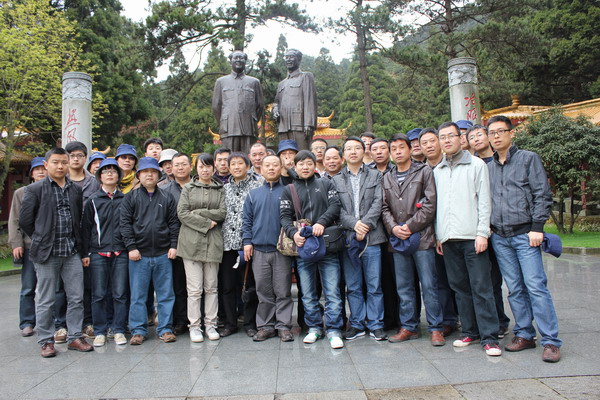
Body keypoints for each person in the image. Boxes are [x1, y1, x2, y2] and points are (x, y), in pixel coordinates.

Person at [487, 115, 562, 363]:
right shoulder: (488, 167)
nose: (496, 136)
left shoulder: (528, 159)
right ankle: (524, 334)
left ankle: (550, 341)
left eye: (500, 131)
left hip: (525, 234)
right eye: (492, 133)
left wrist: (537, 227)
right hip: (500, 236)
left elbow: (542, 193)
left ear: (511, 133)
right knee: (515, 289)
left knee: (536, 286)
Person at [434, 122, 501, 357]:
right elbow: (438, 206)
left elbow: (485, 200)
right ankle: (470, 331)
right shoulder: (438, 170)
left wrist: (483, 232)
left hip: (473, 237)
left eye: (451, 136)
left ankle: (490, 336)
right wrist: (439, 235)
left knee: (481, 287)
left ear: (460, 138)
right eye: (443, 137)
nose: (447, 141)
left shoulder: (476, 165)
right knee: (460, 288)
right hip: (448, 239)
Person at [19, 148, 93, 357]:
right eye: (55, 162)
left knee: (76, 297)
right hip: (46, 254)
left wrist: (81, 250)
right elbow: (25, 221)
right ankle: (46, 340)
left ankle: (75, 337)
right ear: (46, 164)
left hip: (71, 251)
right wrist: (41, 238)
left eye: (63, 162)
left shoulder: (74, 189)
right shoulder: (35, 189)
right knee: (46, 299)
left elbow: (77, 220)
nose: (60, 166)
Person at [381, 134, 444, 346]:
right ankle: (409, 326)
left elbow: (430, 204)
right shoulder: (387, 177)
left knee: (429, 285)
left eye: (402, 147)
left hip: (422, 237)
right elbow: (384, 207)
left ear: (410, 149)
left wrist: (409, 226)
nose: (398, 151)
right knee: (404, 286)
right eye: (394, 149)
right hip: (398, 239)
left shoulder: (424, 171)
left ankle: (436, 328)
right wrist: (393, 228)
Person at [280, 150, 344, 349]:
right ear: (295, 166)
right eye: (301, 164)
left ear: (315, 165)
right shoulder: (289, 189)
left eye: (309, 163)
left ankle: (334, 329)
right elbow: (284, 216)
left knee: (332, 291)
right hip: (304, 248)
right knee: (307, 293)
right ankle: (314, 327)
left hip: (327, 245)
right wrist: (293, 233)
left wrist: (322, 222)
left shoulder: (325, 183)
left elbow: (335, 206)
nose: (305, 167)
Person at [332, 137, 387, 341]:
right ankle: (357, 324)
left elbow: (379, 202)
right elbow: (336, 208)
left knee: (374, 285)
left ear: (364, 151)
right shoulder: (336, 179)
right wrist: (355, 224)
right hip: (348, 239)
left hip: (371, 237)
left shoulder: (375, 175)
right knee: (353, 285)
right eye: (349, 149)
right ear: (343, 154)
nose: (353, 151)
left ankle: (376, 324)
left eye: (357, 148)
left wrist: (365, 224)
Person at [120, 157, 180, 345]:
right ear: (138, 175)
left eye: (153, 172)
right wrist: (131, 247)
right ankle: (138, 330)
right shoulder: (131, 197)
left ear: (158, 175)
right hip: (139, 255)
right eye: (145, 172)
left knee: (166, 294)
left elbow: (173, 223)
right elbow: (125, 224)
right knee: (138, 295)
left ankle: (165, 328)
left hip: (163, 253)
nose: (149, 175)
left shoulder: (166, 197)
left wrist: (173, 245)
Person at [243, 155, 294, 342]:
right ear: (261, 169)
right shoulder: (253, 194)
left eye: (275, 165)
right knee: (263, 291)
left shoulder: (289, 192)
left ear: (281, 168)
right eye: (267, 165)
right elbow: (247, 221)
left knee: (283, 290)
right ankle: (265, 326)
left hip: (282, 250)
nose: (271, 168)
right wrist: (247, 242)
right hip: (259, 250)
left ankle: (283, 326)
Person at [177, 153, 226, 343]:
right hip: (190, 243)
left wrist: (198, 212)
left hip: (213, 243)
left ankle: (211, 324)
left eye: (208, 166)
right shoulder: (188, 189)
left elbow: (222, 212)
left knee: (211, 287)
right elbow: (182, 213)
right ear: (195, 168)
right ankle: (195, 326)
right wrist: (206, 222)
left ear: (213, 168)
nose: (205, 170)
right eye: (201, 166)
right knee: (194, 289)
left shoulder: (220, 189)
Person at [468, 124, 511, 337]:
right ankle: (489, 321)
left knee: (497, 280)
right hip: (478, 231)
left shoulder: (497, 163)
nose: (476, 139)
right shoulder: (472, 165)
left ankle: (501, 321)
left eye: (480, 135)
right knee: (483, 279)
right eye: (472, 137)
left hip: (499, 230)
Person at [81, 159, 129, 347]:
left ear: (119, 175)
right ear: (99, 176)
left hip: (121, 252)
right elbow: (86, 229)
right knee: (99, 294)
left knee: (120, 294)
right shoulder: (93, 200)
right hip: (98, 253)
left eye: (113, 171)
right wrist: (85, 253)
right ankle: (100, 330)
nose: (110, 174)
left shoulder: (125, 199)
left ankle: (118, 329)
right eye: (105, 171)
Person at [419, 127, 459, 335]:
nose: (429, 146)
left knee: (459, 279)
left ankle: (467, 319)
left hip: (454, 231)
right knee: (439, 280)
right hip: (429, 234)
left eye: (432, 141)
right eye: (424, 143)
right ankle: (448, 320)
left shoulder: (451, 166)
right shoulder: (420, 170)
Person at [220, 152, 262, 338]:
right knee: (228, 286)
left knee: (250, 285)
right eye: (233, 164)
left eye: (240, 163)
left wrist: (250, 240)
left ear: (247, 166)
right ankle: (230, 323)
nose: (236, 167)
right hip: (228, 245)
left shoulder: (257, 186)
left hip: (249, 244)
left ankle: (250, 323)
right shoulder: (224, 189)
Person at [8, 157, 47, 337]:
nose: (41, 172)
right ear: (31, 173)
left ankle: (52, 321)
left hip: (50, 245)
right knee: (28, 286)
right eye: (37, 169)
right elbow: (14, 219)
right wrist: (16, 243)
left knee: (53, 287)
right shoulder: (21, 193)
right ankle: (27, 322)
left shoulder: (53, 190)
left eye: (43, 168)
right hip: (30, 245)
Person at [65, 141, 100, 338]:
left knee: (88, 284)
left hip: (89, 239)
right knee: (62, 287)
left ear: (85, 158)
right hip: (64, 239)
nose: (76, 159)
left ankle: (88, 322)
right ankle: (61, 325)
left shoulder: (94, 182)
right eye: (72, 156)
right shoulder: (60, 180)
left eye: (79, 155)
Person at [161, 153, 194, 335]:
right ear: (171, 169)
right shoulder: (164, 191)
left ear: (191, 166)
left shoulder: (199, 187)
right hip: (175, 244)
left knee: (198, 286)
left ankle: (198, 319)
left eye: (183, 164)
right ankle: (181, 320)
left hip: (197, 242)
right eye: (177, 165)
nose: (180, 168)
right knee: (178, 285)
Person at [212, 50, 264, 153]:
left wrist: (252, 119)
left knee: (249, 157)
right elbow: (216, 106)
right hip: (228, 127)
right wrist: (224, 122)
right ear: (230, 61)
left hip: (249, 127)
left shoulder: (254, 82)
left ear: (245, 61)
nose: (238, 60)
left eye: (241, 58)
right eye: (235, 58)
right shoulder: (221, 82)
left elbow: (260, 105)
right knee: (229, 157)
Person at [273, 49, 317, 150]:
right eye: (286, 57)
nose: (288, 60)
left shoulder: (306, 76)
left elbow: (310, 100)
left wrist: (309, 124)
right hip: (283, 126)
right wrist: (275, 110)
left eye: (291, 57)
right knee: (285, 154)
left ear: (299, 59)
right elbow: (276, 102)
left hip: (300, 125)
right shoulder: (282, 83)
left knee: (302, 154)